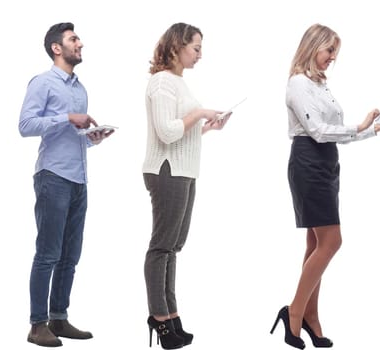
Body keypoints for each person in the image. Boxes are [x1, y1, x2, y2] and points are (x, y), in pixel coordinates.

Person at [270, 23, 380, 349]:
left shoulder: (320, 85)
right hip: (309, 162)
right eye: (329, 50)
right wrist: (359, 126)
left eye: (334, 53)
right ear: (313, 47)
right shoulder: (297, 84)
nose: (332, 58)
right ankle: (294, 311)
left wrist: (372, 129)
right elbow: (319, 131)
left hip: (327, 163)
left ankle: (310, 316)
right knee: (331, 241)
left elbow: (335, 131)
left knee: (316, 244)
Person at [19, 22, 113, 347]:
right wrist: (66, 118)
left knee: (70, 256)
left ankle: (58, 318)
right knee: (47, 253)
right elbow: (25, 125)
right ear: (56, 48)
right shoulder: (43, 82)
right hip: (52, 177)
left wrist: (93, 139)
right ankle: (37, 324)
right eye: (74, 39)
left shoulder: (80, 89)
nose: (80, 43)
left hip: (79, 179)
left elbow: (74, 137)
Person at [142, 22, 230, 349]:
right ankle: (159, 318)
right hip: (167, 171)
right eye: (196, 47)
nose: (200, 54)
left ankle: (172, 315)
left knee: (174, 247)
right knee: (162, 246)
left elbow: (180, 132)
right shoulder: (162, 82)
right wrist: (200, 113)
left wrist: (208, 126)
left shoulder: (178, 82)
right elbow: (166, 132)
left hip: (184, 170)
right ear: (178, 46)